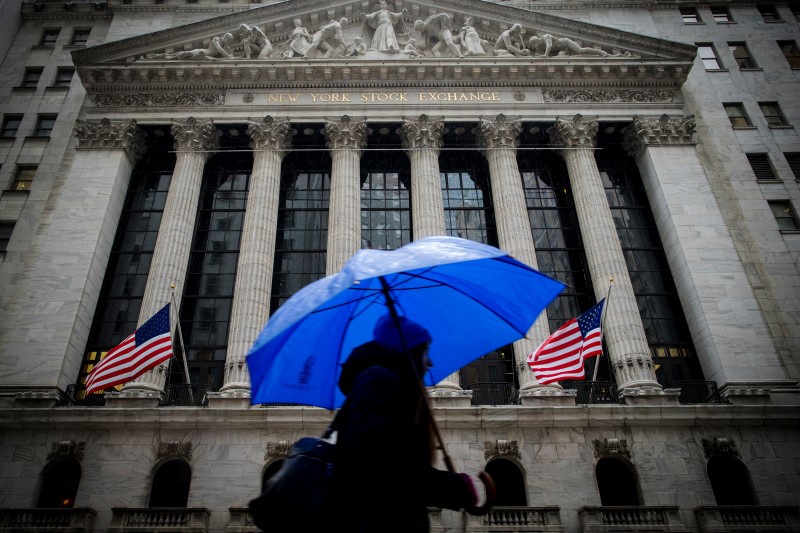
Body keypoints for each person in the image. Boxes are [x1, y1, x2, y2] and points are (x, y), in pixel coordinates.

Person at [331, 314, 484, 532]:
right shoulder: (381, 386)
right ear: (408, 353)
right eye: (424, 351)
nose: (430, 362)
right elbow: (386, 474)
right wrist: (456, 487)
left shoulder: (384, 386)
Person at [528, 33, 609, 57]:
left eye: (533, 45)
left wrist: (545, 55)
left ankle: (600, 52)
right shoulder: (542, 46)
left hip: (566, 43)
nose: (534, 47)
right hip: (561, 50)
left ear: (535, 41)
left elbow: (549, 45)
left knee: (581, 50)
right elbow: (552, 53)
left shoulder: (546, 37)